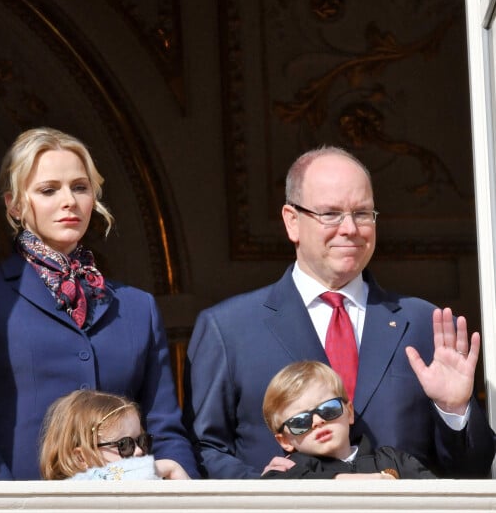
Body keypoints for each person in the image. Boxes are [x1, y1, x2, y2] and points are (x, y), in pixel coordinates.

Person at [183, 145, 495, 479]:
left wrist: (454, 411)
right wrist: (269, 490)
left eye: (362, 213)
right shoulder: (229, 329)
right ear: (292, 222)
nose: (350, 229)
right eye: (331, 214)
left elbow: (471, 470)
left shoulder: (421, 323)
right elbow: (203, 450)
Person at [0, 127, 198, 480]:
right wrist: (10, 505)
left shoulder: (138, 307)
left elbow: (165, 427)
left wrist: (183, 494)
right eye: (48, 190)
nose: (69, 201)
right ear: (14, 204)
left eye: (80, 187)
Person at [262, 361, 435, 479]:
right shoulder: (291, 469)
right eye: (300, 422)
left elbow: (437, 496)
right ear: (284, 440)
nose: (317, 421)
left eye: (328, 409)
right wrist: (337, 480)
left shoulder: (392, 460)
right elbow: (265, 490)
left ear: (349, 412)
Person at [40, 389, 189, 480]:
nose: (139, 451)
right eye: (124, 445)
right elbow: (107, 478)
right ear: (81, 458)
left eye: (142, 441)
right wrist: (169, 467)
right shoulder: (75, 490)